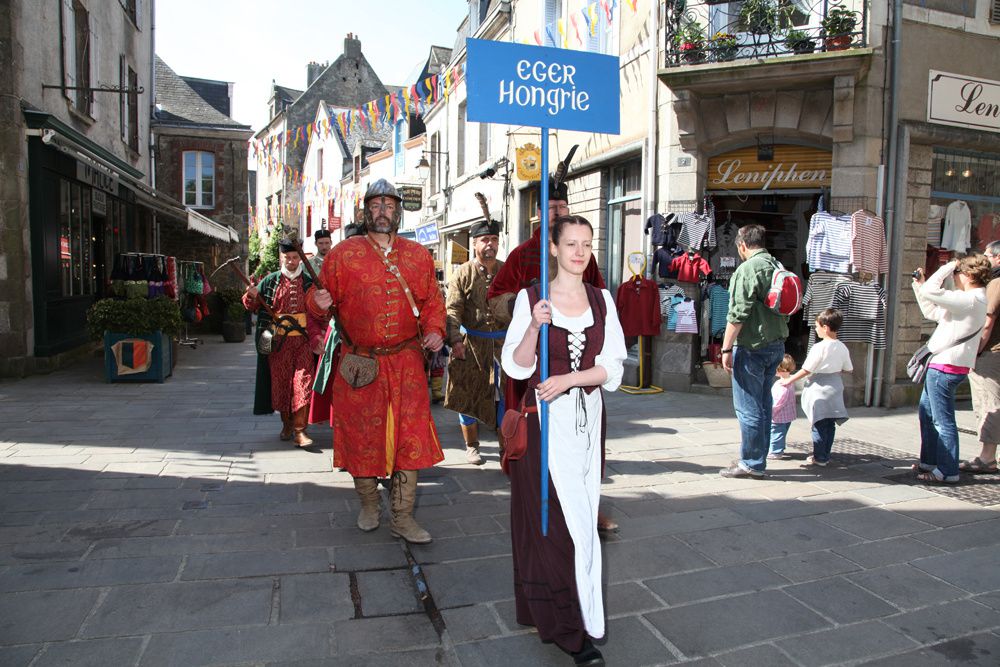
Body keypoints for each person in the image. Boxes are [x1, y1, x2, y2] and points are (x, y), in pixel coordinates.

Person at [501, 215, 626, 666]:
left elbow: (613, 366)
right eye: (570, 243)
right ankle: (571, 632)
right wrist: (534, 327)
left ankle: (566, 613)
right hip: (542, 428)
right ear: (552, 248)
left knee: (581, 523)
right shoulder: (531, 298)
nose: (579, 252)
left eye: (586, 244)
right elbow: (515, 367)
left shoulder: (602, 299)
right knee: (550, 527)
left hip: (587, 424)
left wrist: (571, 378)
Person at [307, 179, 446, 544]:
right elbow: (318, 298)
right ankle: (369, 504)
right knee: (362, 438)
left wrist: (435, 330)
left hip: (406, 363)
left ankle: (402, 516)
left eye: (389, 204)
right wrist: (315, 304)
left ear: (398, 211)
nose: (382, 210)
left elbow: (433, 301)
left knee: (408, 439)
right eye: (375, 204)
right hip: (359, 364)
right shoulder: (342, 254)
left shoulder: (419, 255)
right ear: (365, 211)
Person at [488, 177, 617, 533]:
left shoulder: (580, 255)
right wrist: (524, 310)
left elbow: (600, 299)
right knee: (532, 445)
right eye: (552, 208)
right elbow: (496, 297)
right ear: (539, 212)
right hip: (534, 369)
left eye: (563, 207)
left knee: (588, 445)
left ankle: (588, 506)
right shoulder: (521, 255)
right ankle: (537, 502)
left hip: (577, 374)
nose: (559, 212)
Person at [719, 224, 789, 479]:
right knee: (762, 404)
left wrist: (726, 348)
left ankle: (751, 463)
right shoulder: (776, 265)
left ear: (742, 245)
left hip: (753, 346)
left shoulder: (747, 269)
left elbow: (737, 313)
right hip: (776, 344)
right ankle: (758, 457)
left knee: (747, 407)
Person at [912, 255, 990, 483]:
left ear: (967, 275)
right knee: (927, 414)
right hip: (945, 365)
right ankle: (930, 461)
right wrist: (919, 286)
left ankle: (947, 471)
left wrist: (949, 265)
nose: (954, 278)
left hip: (946, 367)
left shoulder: (971, 299)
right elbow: (932, 312)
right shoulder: (968, 300)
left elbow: (931, 292)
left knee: (941, 420)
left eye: (957, 274)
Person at [243, 238, 323, 447]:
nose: (291, 261)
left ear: (301, 258)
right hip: (278, 343)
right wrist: (251, 296)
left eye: (295, 257)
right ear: (282, 258)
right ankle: (286, 424)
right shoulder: (270, 281)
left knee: (303, 382)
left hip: (303, 342)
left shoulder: (309, 281)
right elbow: (251, 305)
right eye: (287, 257)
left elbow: (319, 310)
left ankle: (300, 430)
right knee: (282, 385)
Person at [445, 217, 505, 465]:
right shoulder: (463, 273)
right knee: (466, 394)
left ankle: (506, 447)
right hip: (471, 345)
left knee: (506, 398)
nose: (490, 244)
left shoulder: (507, 269)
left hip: (504, 347)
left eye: (494, 239)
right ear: (474, 243)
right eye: (484, 240)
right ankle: (471, 446)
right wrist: (455, 340)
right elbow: (452, 310)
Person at [779, 309, 853, 467]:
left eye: (817, 326)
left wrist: (790, 379)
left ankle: (820, 457)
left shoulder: (819, 348)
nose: (816, 329)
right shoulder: (842, 347)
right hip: (835, 386)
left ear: (825, 327)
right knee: (830, 424)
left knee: (818, 423)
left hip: (819, 387)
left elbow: (807, 369)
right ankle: (825, 453)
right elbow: (849, 368)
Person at [962, 241, 1000, 474]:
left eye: (987, 255)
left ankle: (987, 457)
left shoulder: (996, 282)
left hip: (991, 353)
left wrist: (975, 351)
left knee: (989, 403)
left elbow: (987, 322)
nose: (984, 259)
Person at [768, 354, 797, 460]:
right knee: (782, 432)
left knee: (776, 432)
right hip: (788, 415)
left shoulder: (782, 385)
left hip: (779, 416)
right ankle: (780, 448)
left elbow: (779, 402)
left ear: (780, 369)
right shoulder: (790, 381)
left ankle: (776, 451)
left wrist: (771, 412)